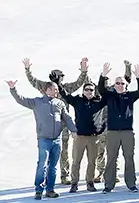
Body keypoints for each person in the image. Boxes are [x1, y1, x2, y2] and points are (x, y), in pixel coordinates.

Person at [23, 57, 89, 185]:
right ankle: (45, 179)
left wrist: (84, 71)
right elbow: (33, 81)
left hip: (63, 126)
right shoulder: (45, 87)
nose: (59, 79)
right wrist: (27, 70)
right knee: (46, 155)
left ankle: (65, 175)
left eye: (61, 77)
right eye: (57, 76)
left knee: (63, 151)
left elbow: (79, 83)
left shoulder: (66, 88)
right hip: (47, 128)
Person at [7, 78, 77, 199]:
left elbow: (67, 118)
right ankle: (39, 190)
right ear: (47, 90)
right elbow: (21, 99)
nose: (56, 91)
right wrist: (13, 89)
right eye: (54, 89)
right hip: (44, 139)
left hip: (57, 139)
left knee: (53, 166)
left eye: (57, 89)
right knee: (42, 164)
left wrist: (73, 130)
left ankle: (50, 189)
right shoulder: (37, 102)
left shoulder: (59, 103)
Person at [98, 62, 139, 193]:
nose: (119, 85)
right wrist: (103, 75)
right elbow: (101, 89)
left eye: (122, 83)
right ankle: (108, 185)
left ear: (126, 85)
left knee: (129, 157)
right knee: (111, 157)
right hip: (112, 132)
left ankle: (131, 184)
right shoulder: (109, 95)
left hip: (127, 132)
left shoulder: (130, 96)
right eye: (117, 83)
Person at [57, 76, 107, 193]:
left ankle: (90, 182)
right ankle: (74, 183)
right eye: (87, 89)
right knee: (76, 161)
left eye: (91, 90)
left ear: (94, 91)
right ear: (83, 91)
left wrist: (102, 77)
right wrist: (57, 83)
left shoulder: (98, 102)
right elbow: (65, 95)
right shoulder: (78, 101)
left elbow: (106, 95)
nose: (89, 92)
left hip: (93, 137)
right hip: (79, 137)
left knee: (92, 162)